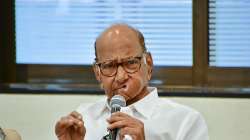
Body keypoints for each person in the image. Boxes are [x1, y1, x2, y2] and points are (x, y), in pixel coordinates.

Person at [55, 24, 209, 140]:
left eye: (130, 63)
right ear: (97, 73)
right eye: (109, 66)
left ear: (148, 64)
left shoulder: (184, 121)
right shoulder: (83, 118)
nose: (120, 76)